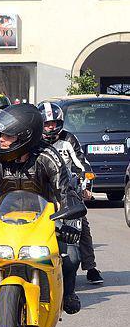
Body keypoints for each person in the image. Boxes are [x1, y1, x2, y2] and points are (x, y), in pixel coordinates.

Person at [0, 104, 85, 314]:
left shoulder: (48, 157)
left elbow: (66, 193)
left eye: (7, 135)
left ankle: (67, 294)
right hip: (3, 220)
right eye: (0, 134)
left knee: (72, 256)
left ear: (26, 136)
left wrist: (70, 222)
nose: (0, 139)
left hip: (43, 222)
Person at [38, 102, 103, 284]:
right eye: (47, 123)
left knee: (81, 226)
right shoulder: (33, 140)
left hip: (66, 190)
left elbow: (83, 165)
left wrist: (86, 188)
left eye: (55, 123)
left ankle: (90, 267)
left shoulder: (68, 139)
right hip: (39, 191)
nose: (51, 127)